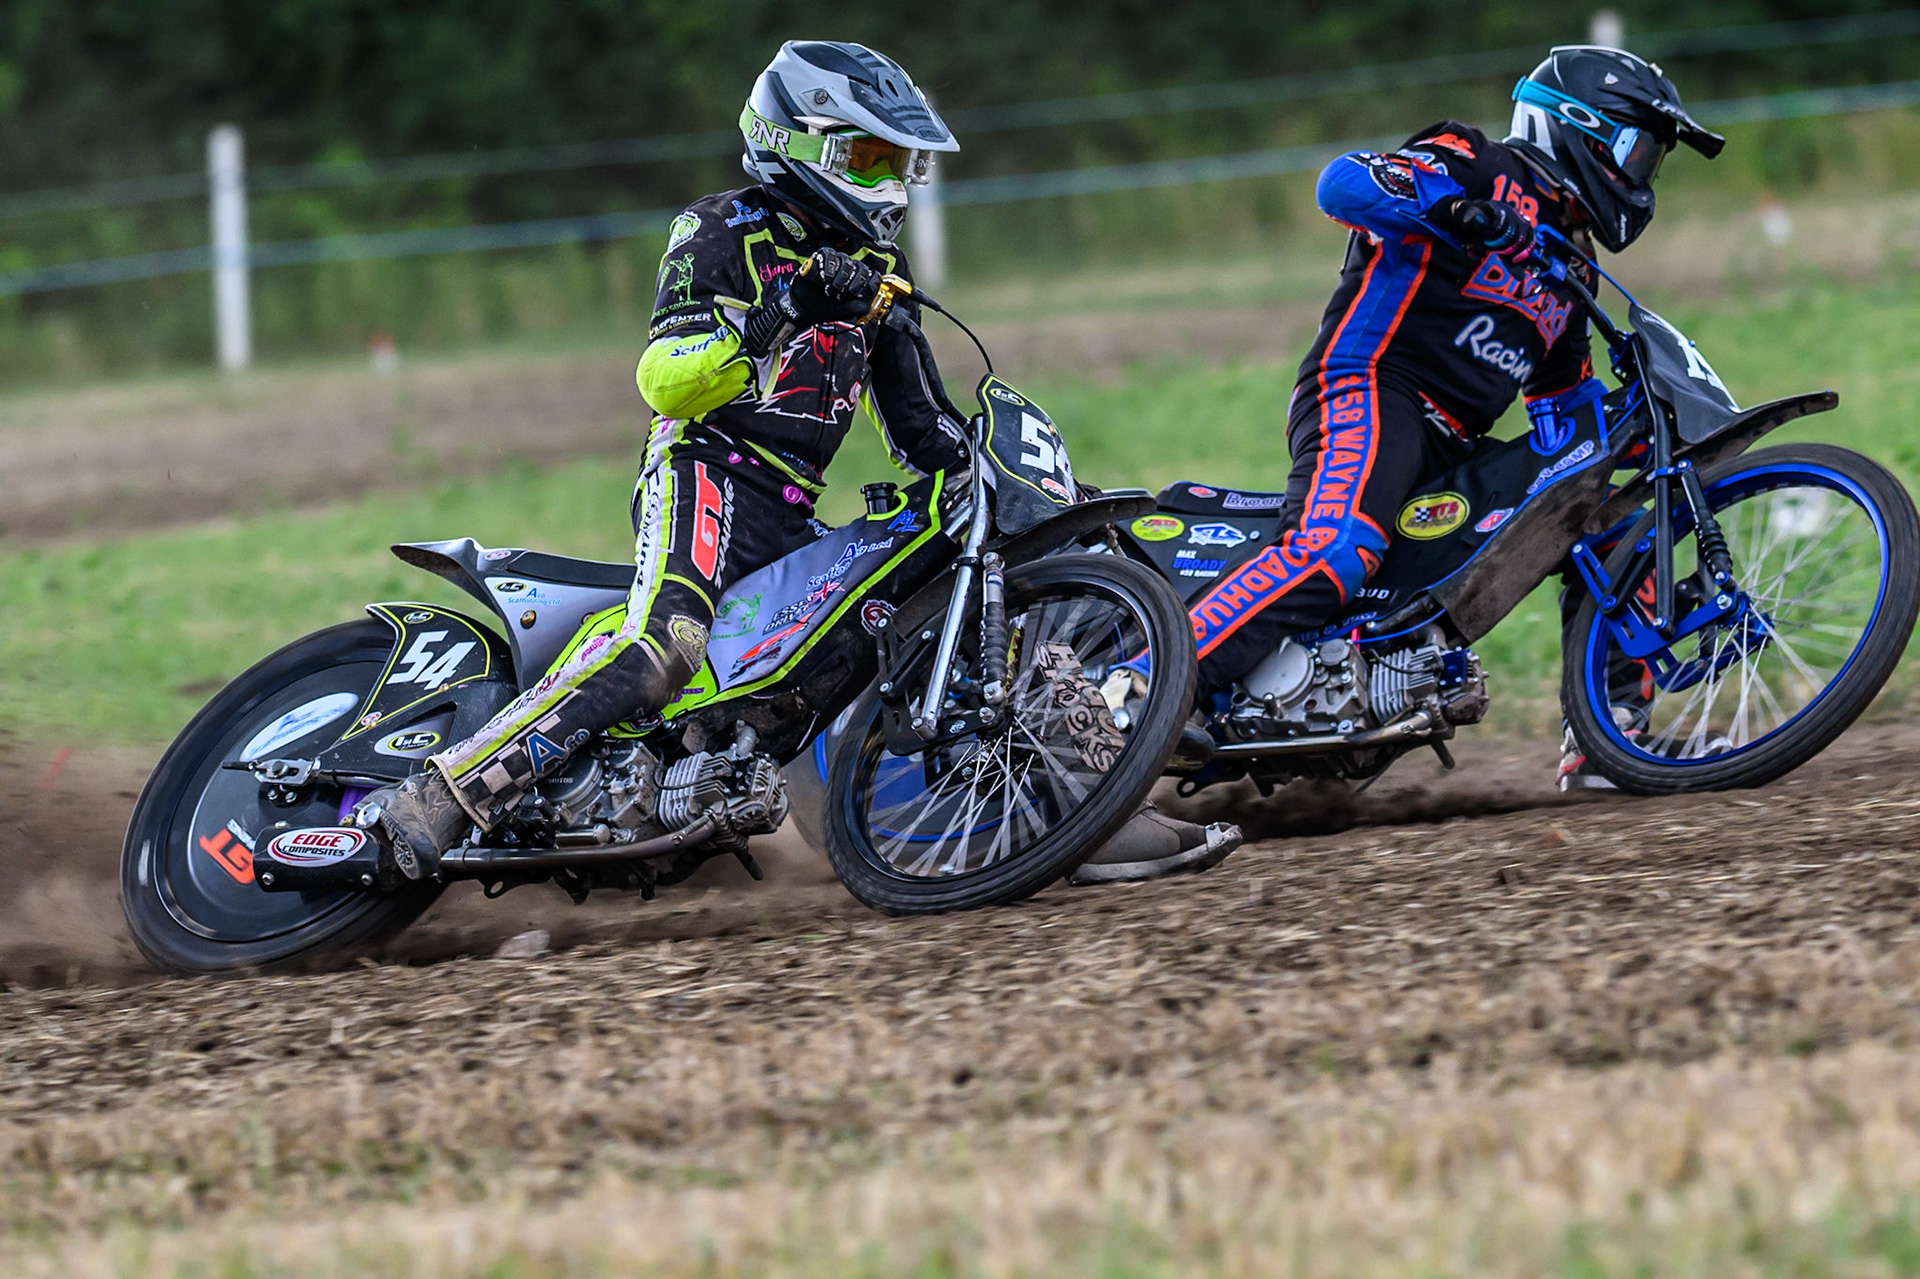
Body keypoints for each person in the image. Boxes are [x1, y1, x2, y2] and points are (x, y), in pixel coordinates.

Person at [361, 40, 1241, 885]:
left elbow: (924, 429)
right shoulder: (721, 227)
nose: (890, 186)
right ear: (795, 141)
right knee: (664, 645)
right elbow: (665, 381)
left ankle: (1087, 810)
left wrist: (1018, 493)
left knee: (941, 582)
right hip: (704, 469)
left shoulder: (871, 270)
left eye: (900, 166)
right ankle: (438, 795)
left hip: (789, 507)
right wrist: (787, 304)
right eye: (868, 160)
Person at [1180, 45, 1723, 786]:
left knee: (1605, 507)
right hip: (1371, 387)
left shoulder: (1571, 264)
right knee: (1335, 549)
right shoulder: (1477, 160)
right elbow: (1343, 183)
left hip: (1452, 442)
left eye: (1652, 161)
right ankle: (1143, 687)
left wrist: (1623, 444)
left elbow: (1561, 411)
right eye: (1637, 149)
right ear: (1582, 128)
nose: (1642, 174)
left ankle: (1608, 737)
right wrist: (1459, 210)